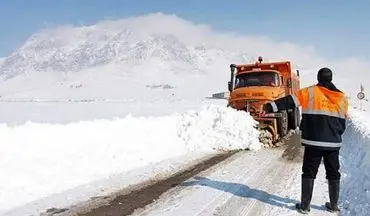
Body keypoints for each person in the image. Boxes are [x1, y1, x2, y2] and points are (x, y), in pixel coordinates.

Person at [262, 67, 348, 214]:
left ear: (318, 78)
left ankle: (305, 206)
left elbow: (289, 101)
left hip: (314, 141)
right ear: (331, 78)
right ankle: (334, 206)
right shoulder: (342, 97)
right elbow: (343, 118)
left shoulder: (310, 92)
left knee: (309, 172)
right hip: (334, 142)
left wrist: (270, 107)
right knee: (333, 172)